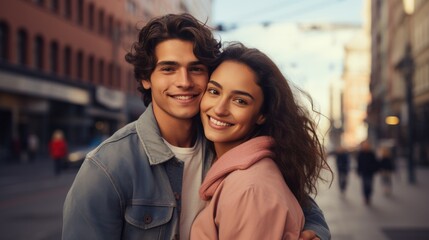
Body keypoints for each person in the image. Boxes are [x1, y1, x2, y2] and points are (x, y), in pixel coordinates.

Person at [62, 13, 330, 240]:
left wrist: (315, 230)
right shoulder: (107, 168)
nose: (184, 82)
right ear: (146, 78)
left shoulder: (227, 145)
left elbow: (292, 200)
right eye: (168, 69)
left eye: (196, 69)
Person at [190, 43, 332, 239]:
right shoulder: (230, 165)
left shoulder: (251, 189)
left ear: (262, 114)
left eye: (240, 100)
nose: (220, 109)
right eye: (214, 92)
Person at [357, 140, 379, 205]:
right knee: (365, 185)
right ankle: (366, 197)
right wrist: (358, 171)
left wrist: (375, 169)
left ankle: (369, 196)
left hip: (370, 172)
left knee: (370, 185)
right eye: (364, 145)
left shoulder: (371, 153)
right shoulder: (360, 154)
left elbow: (375, 162)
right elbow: (359, 163)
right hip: (364, 172)